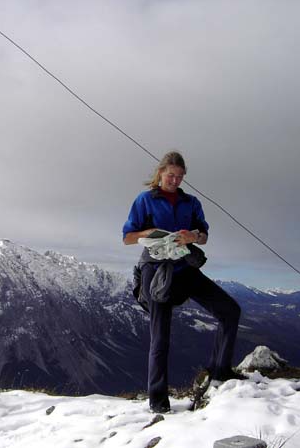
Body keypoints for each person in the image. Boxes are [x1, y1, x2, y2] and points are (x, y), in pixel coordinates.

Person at [122, 151, 242, 413]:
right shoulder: (145, 200)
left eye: (179, 177)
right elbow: (127, 237)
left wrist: (194, 236)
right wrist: (149, 234)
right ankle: (158, 401)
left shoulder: (191, 202)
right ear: (160, 173)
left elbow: (204, 236)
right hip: (156, 271)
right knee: (160, 337)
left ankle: (221, 371)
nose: (174, 180)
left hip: (185, 267)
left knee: (230, 310)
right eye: (170, 176)